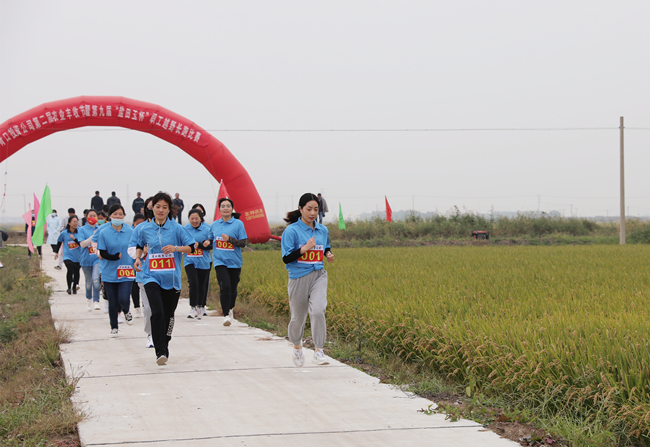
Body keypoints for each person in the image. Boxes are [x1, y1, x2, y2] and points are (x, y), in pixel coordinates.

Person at [132, 192, 194, 366]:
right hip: (151, 276)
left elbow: (191, 247)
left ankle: (164, 342)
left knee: (168, 315)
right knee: (156, 311)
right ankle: (160, 350)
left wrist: (176, 248)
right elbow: (139, 245)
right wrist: (138, 258)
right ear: (152, 208)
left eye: (164, 207)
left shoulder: (177, 228)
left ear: (169, 210)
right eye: (157, 206)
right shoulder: (144, 228)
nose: (160, 210)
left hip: (172, 279)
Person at [281, 193, 335, 367]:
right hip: (298, 277)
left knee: (318, 310)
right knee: (298, 318)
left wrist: (328, 254)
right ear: (300, 209)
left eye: (316, 209)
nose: (312, 213)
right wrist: (305, 248)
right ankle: (297, 346)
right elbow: (286, 258)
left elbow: (325, 246)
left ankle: (319, 351)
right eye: (309, 209)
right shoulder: (291, 231)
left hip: (318, 275)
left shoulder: (322, 230)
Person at [208, 198, 247, 326]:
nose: (225, 208)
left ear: (232, 209)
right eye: (223, 206)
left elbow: (243, 243)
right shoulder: (214, 225)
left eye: (228, 206)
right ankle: (225, 315)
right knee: (224, 286)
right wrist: (207, 242)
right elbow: (210, 239)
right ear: (219, 209)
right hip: (219, 260)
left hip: (234, 262)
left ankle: (230, 309)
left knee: (232, 288)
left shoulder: (238, 224)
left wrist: (229, 239)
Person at [97, 204, 135, 336]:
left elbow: (136, 248)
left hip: (126, 270)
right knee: (112, 301)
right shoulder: (104, 232)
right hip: (109, 271)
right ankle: (114, 326)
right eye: (115, 214)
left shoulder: (130, 231)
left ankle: (126, 310)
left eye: (120, 214)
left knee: (124, 298)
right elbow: (102, 252)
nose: (118, 217)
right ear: (110, 216)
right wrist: (114, 257)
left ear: (124, 216)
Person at [184, 209, 212, 319]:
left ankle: (201, 306)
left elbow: (212, 246)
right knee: (193, 283)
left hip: (203, 262)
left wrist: (200, 245)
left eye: (196, 218)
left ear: (201, 218)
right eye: (192, 218)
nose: (194, 221)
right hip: (189, 261)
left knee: (201, 285)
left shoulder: (207, 230)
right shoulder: (185, 229)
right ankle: (193, 307)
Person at [78, 209, 101, 311]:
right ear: (86, 217)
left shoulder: (100, 228)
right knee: (89, 282)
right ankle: (89, 299)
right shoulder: (82, 230)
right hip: (86, 259)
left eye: (94, 215)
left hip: (97, 258)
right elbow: (82, 244)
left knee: (95, 279)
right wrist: (93, 237)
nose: (93, 217)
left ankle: (96, 301)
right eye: (90, 215)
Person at [56, 216, 82, 294]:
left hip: (78, 256)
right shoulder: (64, 233)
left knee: (76, 271)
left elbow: (81, 243)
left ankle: (74, 287)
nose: (76, 223)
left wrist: (74, 239)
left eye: (77, 221)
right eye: (74, 221)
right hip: (67, 255)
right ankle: (69, 288)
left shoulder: (80, 232)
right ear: (69, 223)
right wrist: (56, 252)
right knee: (70, 269)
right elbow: (59, 242)